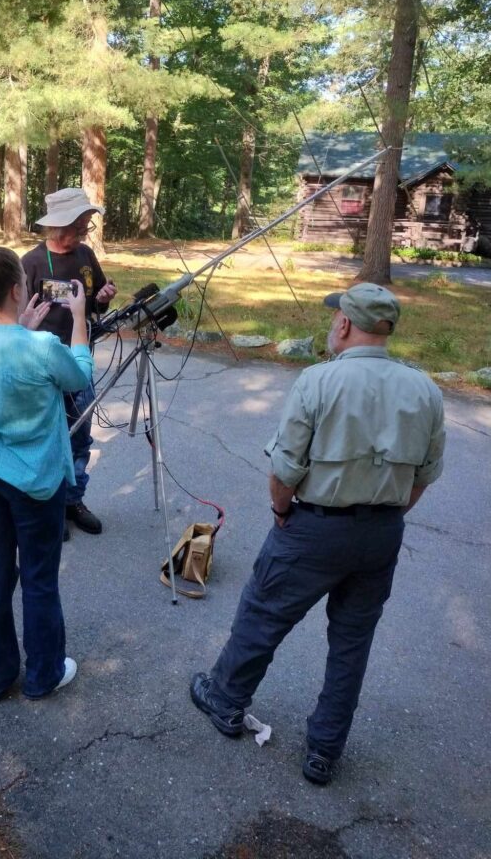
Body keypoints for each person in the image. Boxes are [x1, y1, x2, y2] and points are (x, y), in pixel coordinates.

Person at [190, 283, 445, 784]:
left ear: (346, 324)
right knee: (352, 643)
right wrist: (386, 514)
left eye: (336, 319)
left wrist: (280, 511)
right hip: (381, 534)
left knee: (263, 613)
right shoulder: (426, 391)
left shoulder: (317, 381)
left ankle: (225, 700)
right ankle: (324, 752)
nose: (332, 326)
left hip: (314, 529)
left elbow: (285, 471)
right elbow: (423, 478)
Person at [0, 235, 94, 701]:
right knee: (38, 576)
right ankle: (43, 673)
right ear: (17, 290)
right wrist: (78, 322)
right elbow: (78, 376)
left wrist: (22, 327)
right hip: (34, 479)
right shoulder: (41, 347)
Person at [21, 188, 117, 537]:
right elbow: (17, 320)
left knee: (79, 440)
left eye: (87, 226)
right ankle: (51, 508)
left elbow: (95, 302)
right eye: (81, 226)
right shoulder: (30, 263)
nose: (85, 233)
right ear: (60, 226)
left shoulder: (86, 255)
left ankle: (73, 501)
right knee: (48, 440)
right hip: (43, 369)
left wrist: (104, 298)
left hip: (78, 365)